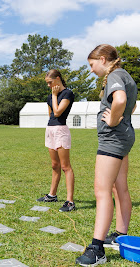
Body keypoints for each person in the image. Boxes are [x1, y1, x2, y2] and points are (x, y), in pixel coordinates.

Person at [76, 44, 137, 266]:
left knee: (101, 191)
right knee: (119, 187)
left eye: (92, 65)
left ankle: (97, 249)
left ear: (103, 59)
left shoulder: (114, 75)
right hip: (124, 137)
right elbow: (131, 105)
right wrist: (121, 121)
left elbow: (120, 100)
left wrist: (112, 121)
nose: (91, 70)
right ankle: (120, 235)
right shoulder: (126, 76)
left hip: (113, 140)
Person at [37, 69, 75, 212]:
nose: (49, 85)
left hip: (61, 130)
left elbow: (58, 112)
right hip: (50, 130)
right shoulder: (49, 97)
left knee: (66, 167)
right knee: (54, 165)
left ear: (58, 78)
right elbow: (51, 115)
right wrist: (52, 96)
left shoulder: (67, 93)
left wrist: (54, 96)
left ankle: (70, 201)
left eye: (50, 82)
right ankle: (52, 195)